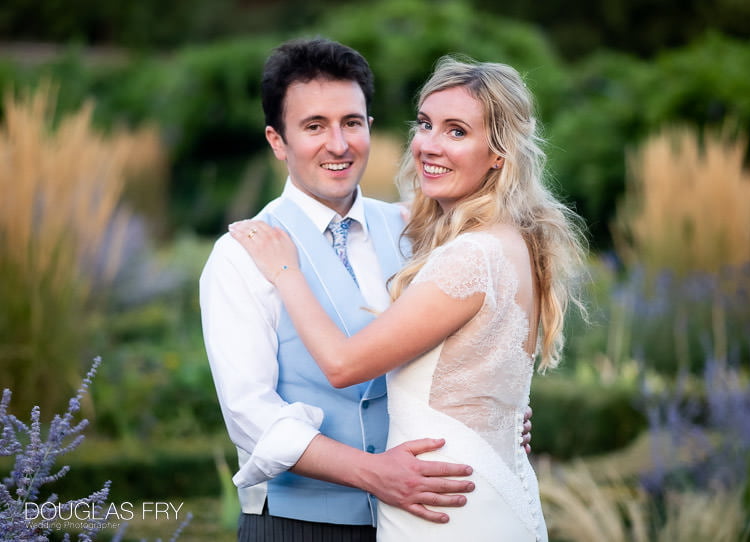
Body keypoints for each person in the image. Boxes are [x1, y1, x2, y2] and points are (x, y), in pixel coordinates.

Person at [230, 56, 586, 541]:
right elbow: (248, 413)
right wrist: (490, 418)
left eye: (457, 131)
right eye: (425, 124)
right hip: (327, 515)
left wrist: (286, 270)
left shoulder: (461, 249)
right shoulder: (467, 234)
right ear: (278, 140)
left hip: (446, 509)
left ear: (499, 152)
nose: (429, 145)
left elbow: (343, 364)